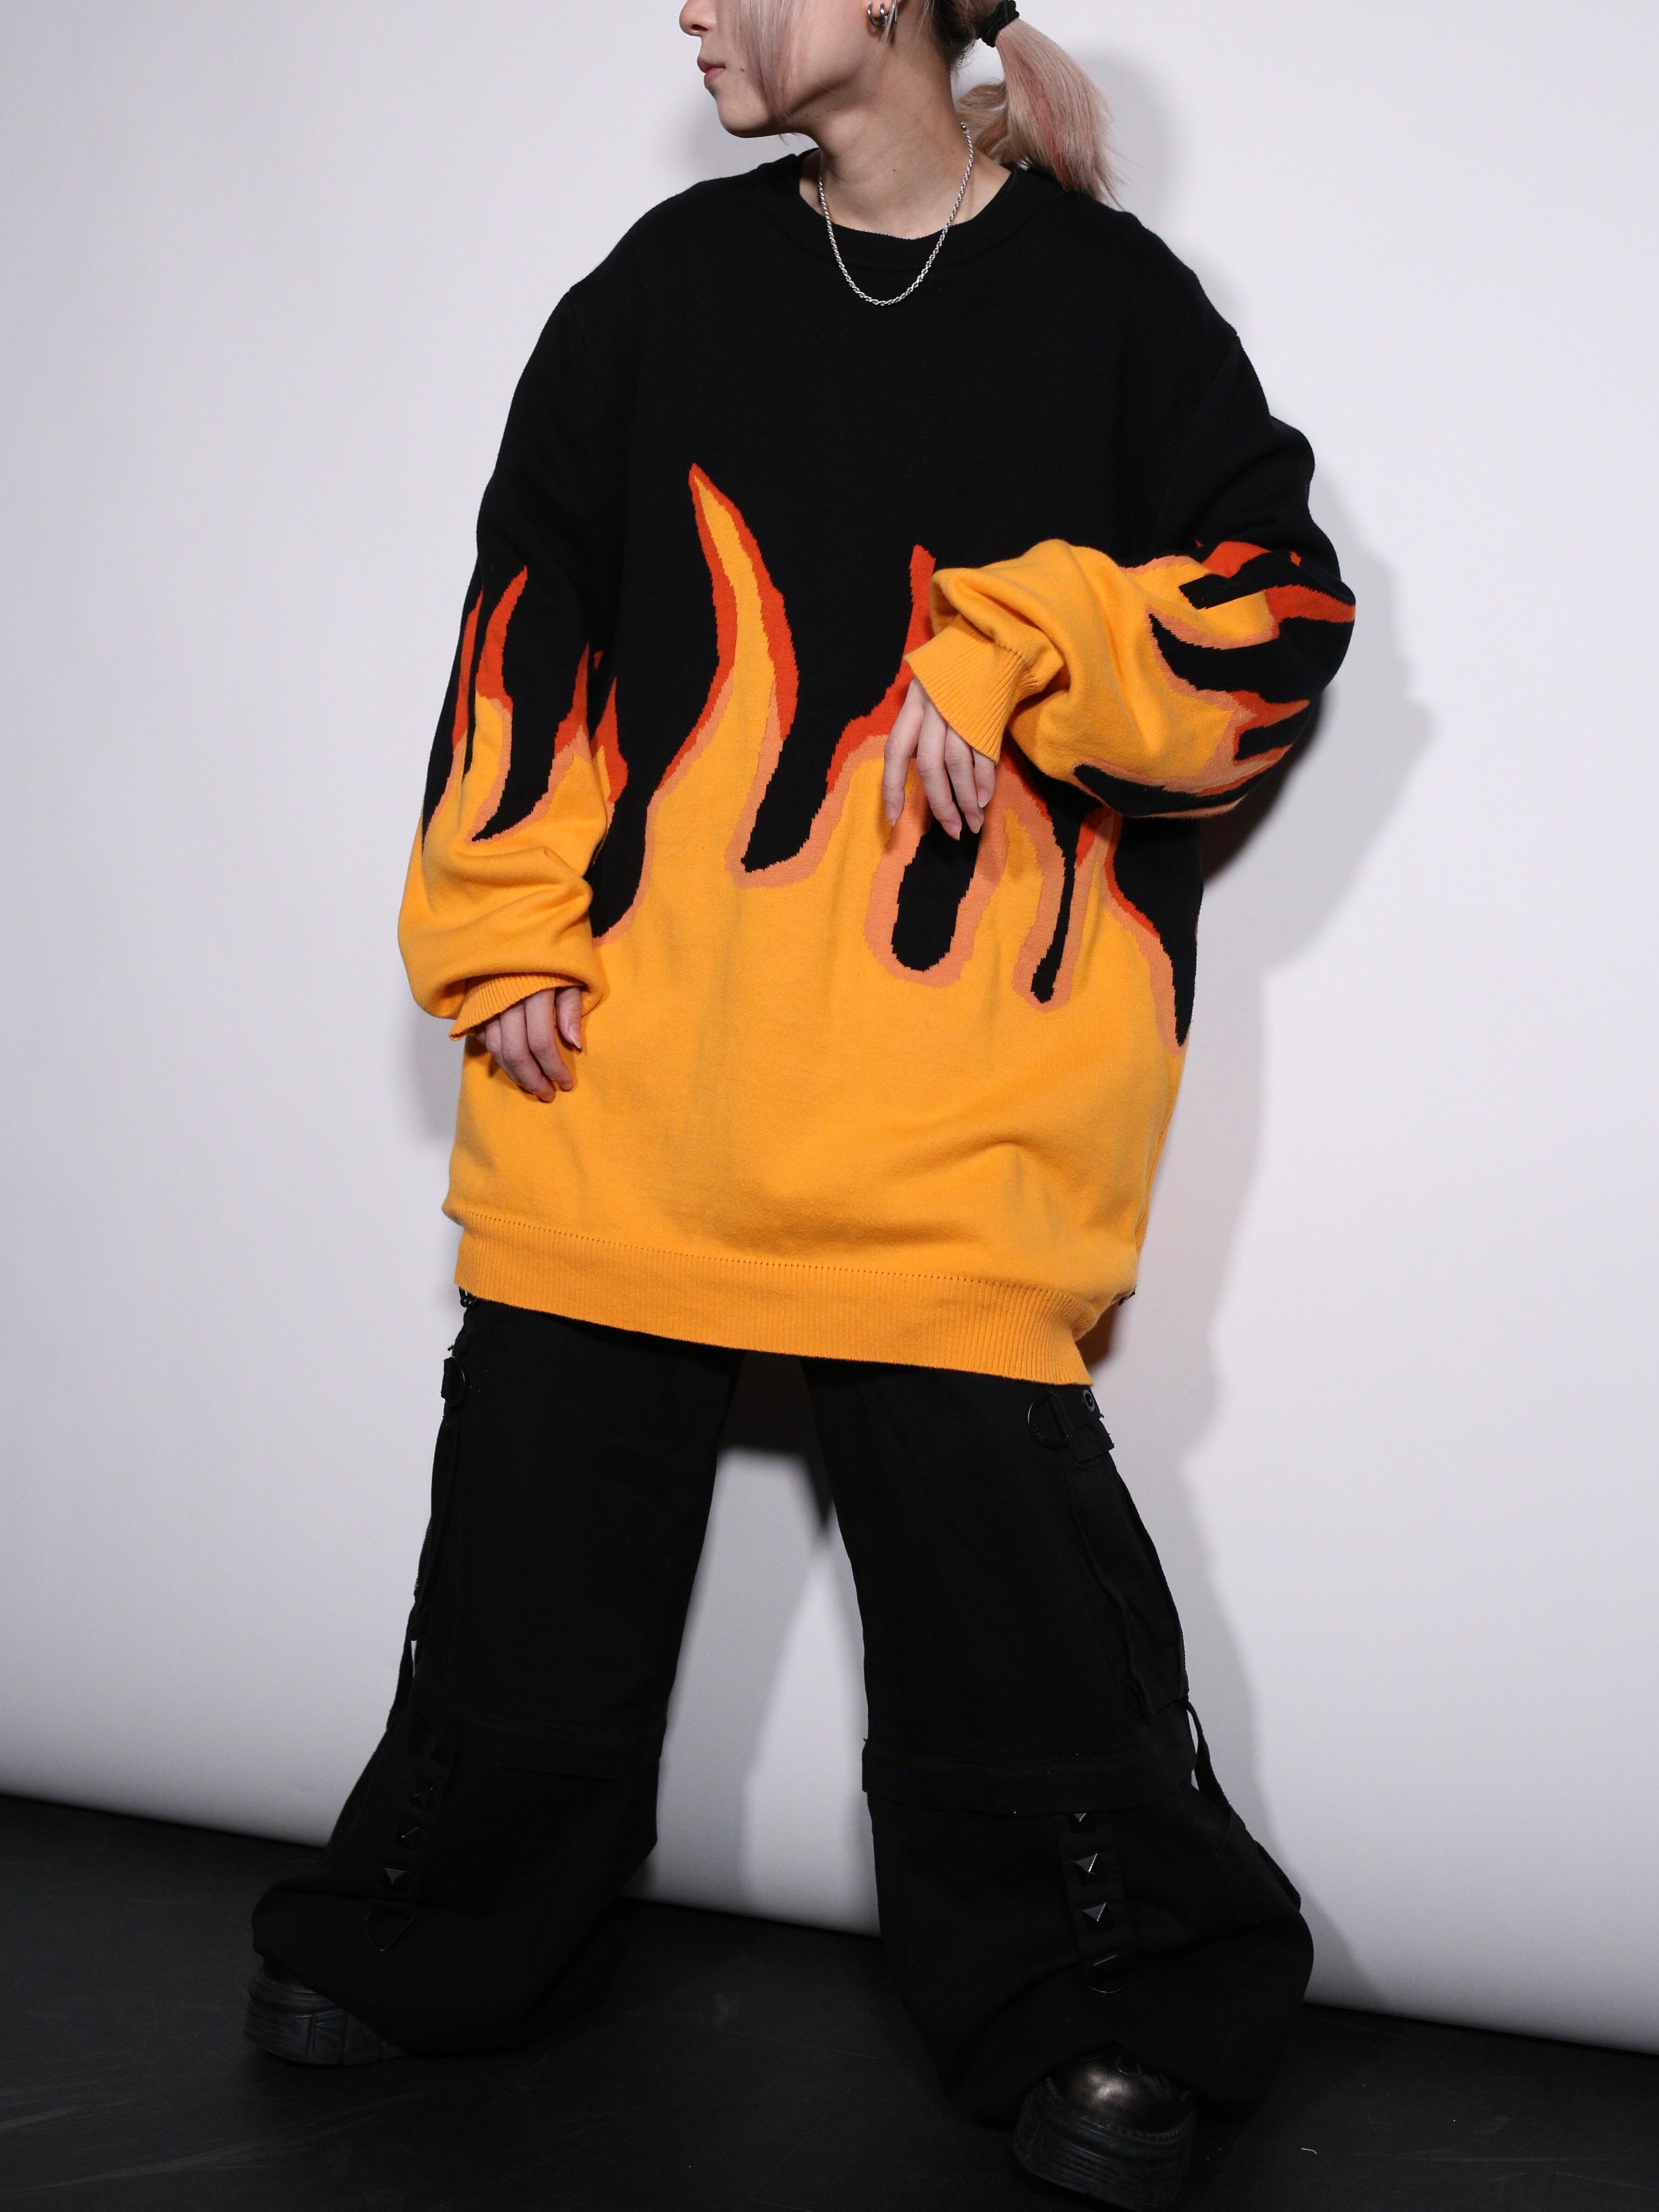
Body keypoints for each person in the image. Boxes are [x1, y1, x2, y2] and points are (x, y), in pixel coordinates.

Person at [246, 2, 1354, 2203]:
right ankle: (436, 1923)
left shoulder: (1108, 311)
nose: (688, 7)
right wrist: (503, 925)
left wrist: (1026, 639)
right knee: (525, 1572)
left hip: (949, 1102)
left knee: (1004, 1617)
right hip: (630, 1081)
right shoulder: (659, 296)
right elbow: (530, 606)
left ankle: (1111, 1997)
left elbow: (1276, 618)